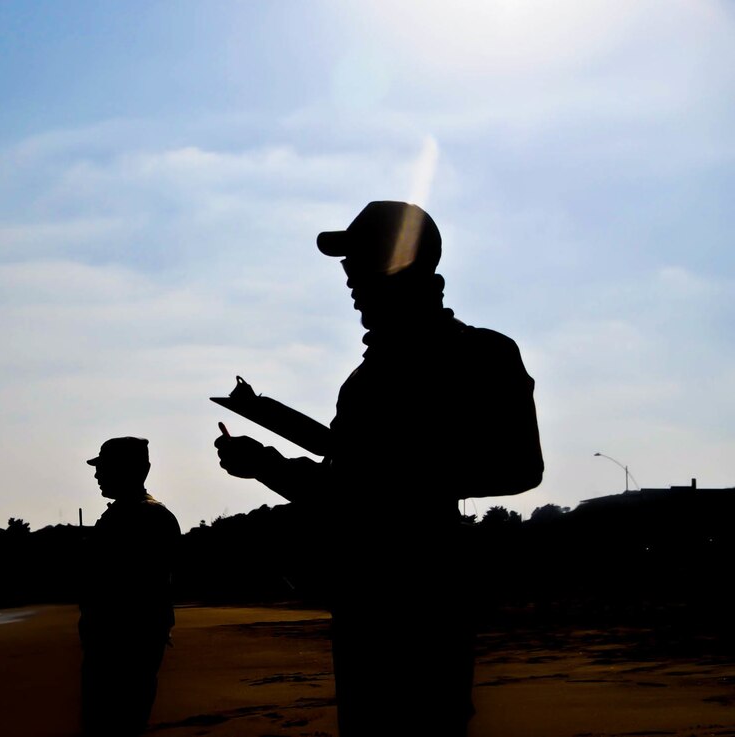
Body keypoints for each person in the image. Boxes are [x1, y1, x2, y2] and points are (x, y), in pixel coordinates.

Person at [214, 201, 543, 736]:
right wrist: (266, 466)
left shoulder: (482, 354)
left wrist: (395, 476)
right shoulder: (364, 380)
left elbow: (520, 467)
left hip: (424, 607)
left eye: (359, 262)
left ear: (399, 266)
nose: (348, 279)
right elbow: (344, 489)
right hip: (364, 607)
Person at [79, 436, 182, 737]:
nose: (97, 474)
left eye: (104, 467)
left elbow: (136, 587)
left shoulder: (141, 517)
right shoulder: (138, 515)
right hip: (121, 643)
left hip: (120, 647)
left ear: (134, 469)